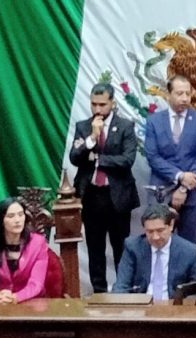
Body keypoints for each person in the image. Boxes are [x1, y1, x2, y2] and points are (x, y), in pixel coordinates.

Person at [69, 83, 139, 293]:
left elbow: (127, 160)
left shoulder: (125, 126)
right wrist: (92, 138)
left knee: (121, 247)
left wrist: (98, 159)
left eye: (102, 104)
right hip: (91, 196)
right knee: (95, 248)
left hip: (117, 196)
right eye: (94, 104)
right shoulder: (83, 127)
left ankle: (123, 289)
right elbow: (75, 158)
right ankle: (99, 292)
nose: (97, 109)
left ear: (112, 103)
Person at [144, 75, 196, 244]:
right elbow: (152, 157)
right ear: (168, 94)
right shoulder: (154, 121)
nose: (184, 98)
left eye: (188, 94)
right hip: (160, 193)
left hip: (191, 195)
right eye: (179, 93)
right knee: (158, 242)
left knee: (189, 246)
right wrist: (180, 176)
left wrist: (183, 188)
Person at [113, 204, 196, 300]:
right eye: (150, 231)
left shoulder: (189, 251)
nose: (155, 237)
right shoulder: (133, 247)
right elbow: (121, 286)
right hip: (141, 304)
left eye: (160, 230)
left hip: (174, 305)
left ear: (171, 225)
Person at [0, 197, 50, 304]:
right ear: (1, 220)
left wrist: (15, 297)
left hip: (29, 303)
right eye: (11, 216)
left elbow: (36, 284)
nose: (17, 220)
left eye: (21, 214)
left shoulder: (38, 243)